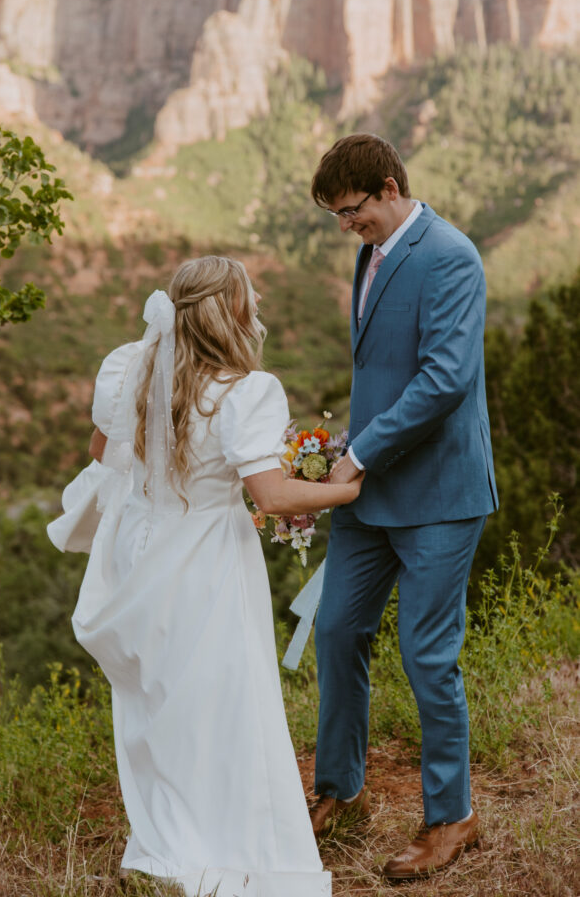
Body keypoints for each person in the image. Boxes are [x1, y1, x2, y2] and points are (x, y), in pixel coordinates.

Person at [47, 255, 364, 897]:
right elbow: (271, 496)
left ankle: (168, 833)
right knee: (221, 698)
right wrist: (347, 489)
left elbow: (102, 453)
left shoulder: (129, 371)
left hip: (139, 556)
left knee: (157, 699)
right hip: (209, 560)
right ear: (232, 311)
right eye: (250, 298)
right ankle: (225, 838)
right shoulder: (246, 391)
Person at [307, 134, 498, 881]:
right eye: (337, 217)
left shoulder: (451, 255)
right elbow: (382, 371)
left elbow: (444, 380)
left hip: (439, 496)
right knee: (334, 630)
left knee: (426, 655)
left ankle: (452, 818)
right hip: (369, 487)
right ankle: (338, 788)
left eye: (352, 211)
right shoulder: (374, 252)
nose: (346, 227)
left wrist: (357, 454)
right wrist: (342, 446)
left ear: (388, 188)